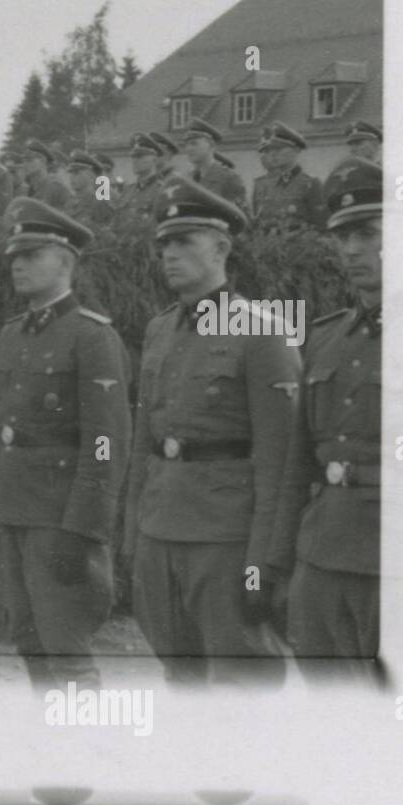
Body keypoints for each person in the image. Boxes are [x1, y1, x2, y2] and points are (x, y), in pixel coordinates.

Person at [123, 179, 300, 686]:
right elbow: (143, 441)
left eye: (184, 242)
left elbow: (279, 461)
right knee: (179, 671)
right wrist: (135, 528)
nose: (169, 255)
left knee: (240, 674)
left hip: (225, 535)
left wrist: (263, 563)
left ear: (221, 247)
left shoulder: (262, 331)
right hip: (162, 525)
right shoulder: (160, 329)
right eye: (164, 245)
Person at [0, 200, 131, 688]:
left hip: (58, 515)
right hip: (10, 509)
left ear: (66, 262)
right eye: (14, 255)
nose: (17, 264)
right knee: (27, 638)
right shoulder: (12, 333)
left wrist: (84, 528)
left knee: (66, 648)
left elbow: (106, 442)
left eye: (32, 254)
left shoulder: (91, 337)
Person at [270, 157, 384, 680]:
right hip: (321, 556)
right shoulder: (326, 336)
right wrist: (278, 565)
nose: (352, 249)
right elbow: (298, 464)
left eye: (367, 232)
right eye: (342, 237)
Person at [251, 122, 326, 233]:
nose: (273, 154)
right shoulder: (267, 186)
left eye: (279, 149)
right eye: (271, 149)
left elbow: (322, 228)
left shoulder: (310, 185)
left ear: (296, 150)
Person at [183, 119, 247, 209]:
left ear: (211, 145)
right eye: (186, 144)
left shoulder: (229, 179)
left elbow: (241, 218)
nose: (188, 149)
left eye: (194, 143)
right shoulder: (187, 180)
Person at [112, 133, 165, 235]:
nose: (135, 161)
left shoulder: (162, 190)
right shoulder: (127, 191)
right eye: (133, 157)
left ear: (154, 159)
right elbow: (115, 224)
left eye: (140, 156)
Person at [65, 150, 115, 230]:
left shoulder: (100, 204)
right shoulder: (69, 202)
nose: (71, 177)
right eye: (70, 172)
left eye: (77, 173)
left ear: (90, 175)